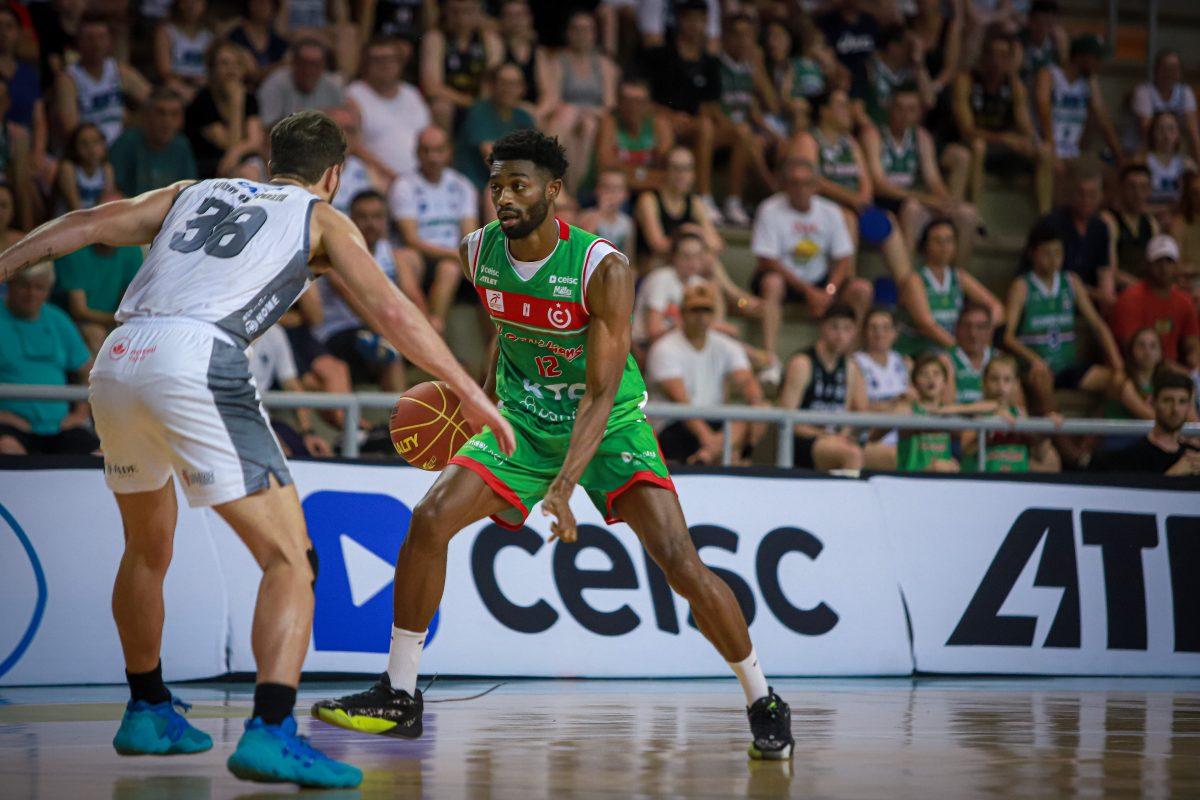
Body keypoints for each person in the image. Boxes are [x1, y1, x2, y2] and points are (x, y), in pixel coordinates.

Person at [0, 110, 513, 788]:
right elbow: (389, 310)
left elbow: (85, 224)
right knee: (291, 560)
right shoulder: (322, 216)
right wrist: (468, 393)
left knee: (146, 548)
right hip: (196, 359)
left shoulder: (195, 189)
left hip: (118, 359)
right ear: (334, 175)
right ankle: (272, 729)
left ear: (273, 160)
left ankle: (148, 707)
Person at [312, 129, 795, 762]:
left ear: (554, 190)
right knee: (429, 520)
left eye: (518, 185)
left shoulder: (603, 269)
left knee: (679, 559)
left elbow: (599, 391)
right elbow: (505, 331)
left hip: (609, 422)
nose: (504, 198)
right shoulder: (476, 249)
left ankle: (762, 697)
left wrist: (565, 485)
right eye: (495, 186)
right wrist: (481, 408)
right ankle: (400, 693)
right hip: (523, 417)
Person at [789, 89, 913, 286]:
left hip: (854, 206)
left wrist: (862, 198)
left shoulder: (851, 143)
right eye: (841, 105)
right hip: (819, 208)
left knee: (888, 220)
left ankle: (906, 286)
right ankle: (848, 287)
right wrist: (851, 199)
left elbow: (865, 179)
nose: (848, 110)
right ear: (824, 111)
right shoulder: (808, 139)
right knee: (846, 218)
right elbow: (812, 180)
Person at [1003, 220, 1123, 422]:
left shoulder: (1071, 282)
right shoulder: (1022, 286)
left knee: (1118, 382)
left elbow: (1098, 326)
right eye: (1046, 253)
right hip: (1036, 368)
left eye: (1058, 253)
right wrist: (1035, 359)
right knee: (1040, 378)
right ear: (1032, 254)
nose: (1053, 259)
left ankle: (1088, 444)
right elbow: (1007, 336)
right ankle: (1068, 449)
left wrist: (1117, 363)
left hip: (1066, 366)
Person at [751, 156, 870, 356]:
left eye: (806, 183)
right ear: (785, 186)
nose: (800, 189)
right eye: (794, 183)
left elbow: (844, 258)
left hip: (822, 281)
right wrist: (809, 292)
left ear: (816, 186)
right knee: (772, 282)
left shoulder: (830, 211)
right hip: (786, 280)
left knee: (862, 289)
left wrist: (829, 291)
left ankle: (849, 356)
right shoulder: (769, 209)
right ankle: (769, 357)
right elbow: (767, 261)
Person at [314, 188, 424, 392]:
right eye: (363, 217)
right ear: (350, 219)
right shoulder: (335, 252)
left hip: (380, 328)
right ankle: (397, 421)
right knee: (388, 350)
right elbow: (354, 298)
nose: (370, 223)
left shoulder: (393, 254)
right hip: (339, 332)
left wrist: (426, 327)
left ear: (386, 220)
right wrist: (395, 334)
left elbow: (412, 297)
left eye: (377, 217)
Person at [647, 281, 765, 465]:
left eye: (707, 310)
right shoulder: (664, 348)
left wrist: (756, 402)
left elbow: (746, 381)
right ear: (683, 313)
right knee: (731, 455)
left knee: (754, 412)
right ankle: (716, 454)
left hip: (711, 422)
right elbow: (681, 403)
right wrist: (709, 439)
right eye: (695, 310)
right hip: (671, 425)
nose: (701, 317)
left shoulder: (726, 345)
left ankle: (706, 457)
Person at [865, 82, 979, 262]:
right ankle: (908, 278)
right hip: (886, 202)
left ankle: (955, 279)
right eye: (899, 108)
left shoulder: (921, 136)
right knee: (912, 208)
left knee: (968, 214)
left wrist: (944, 201)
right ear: (889, 108)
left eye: (911, 110)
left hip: (912, 199)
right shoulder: (873, 134)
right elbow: (879, 185)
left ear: (919, 113)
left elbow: (933, 179)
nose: (904, 115)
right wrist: (925, 199)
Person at [0, 262, 99, 456]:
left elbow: (90, 372)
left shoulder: (58, 320)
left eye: (39, 287)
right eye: (24, 285)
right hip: (9, 425)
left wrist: (80, 413)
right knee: (8, 447)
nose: (31, 294)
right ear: (10, 284)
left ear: (48, 290)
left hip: (60, 427)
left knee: (100, 453)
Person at [951, 27, 1052, 213]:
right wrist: (1004, 138)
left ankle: (1044, 216)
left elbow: (1026, 125)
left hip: (1003, 148)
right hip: (972, 145)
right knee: (978, 146)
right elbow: (967, 130)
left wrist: (1029, 141)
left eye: (1004, 55)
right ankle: (976, 214)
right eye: (993, 54)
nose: (997, 61)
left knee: (1044, 151)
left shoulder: (1014, 85)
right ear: (984, 56)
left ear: (1010, 59)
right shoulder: (966, 81)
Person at [639, 0, 723, 222]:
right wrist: (671, 115)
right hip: (664, 120)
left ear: (706, 23)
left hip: (695, 124)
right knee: (664, 125)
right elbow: (646, 99)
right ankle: (678, 196)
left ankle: (719, 199)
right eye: (690, 19)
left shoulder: (710, 62)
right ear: (680, 21)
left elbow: (709, 105)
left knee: (722, 129)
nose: (695, 25)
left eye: (700, 20)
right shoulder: (661, 55)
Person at [390, 126, 478, 332]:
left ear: (449, 152)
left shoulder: (462, 184)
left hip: (452, 259)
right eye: (426, 151)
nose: (433, 157)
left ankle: (433, 327)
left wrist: (459, 255)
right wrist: (455, 254)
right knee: (404, 257)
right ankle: (424, 326)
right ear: (417, 153)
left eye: (439, 150)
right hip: (421, 256)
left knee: (450, 268)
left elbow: (470, 234)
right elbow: (411, 239)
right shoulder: (404, 185)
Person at [777, 302, 868, 470]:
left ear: (854, 332)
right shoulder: (802, 364)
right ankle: (847, 497)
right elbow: (786, 420)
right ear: (822, 327)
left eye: (847, 329)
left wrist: (843, 435)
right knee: (852, 454)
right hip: (803, 440)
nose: (840, 335)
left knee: (890, 455)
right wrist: (823, 435)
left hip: (834, 439)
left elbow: (847, 413)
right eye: (835, 327)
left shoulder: (850, 367)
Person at [711, 12, 780, 226]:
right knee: (748, 138)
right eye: (738, 35)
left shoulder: (750, 68)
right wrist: (741, 131)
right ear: (726, 37)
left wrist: (758, 70)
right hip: (720, 135)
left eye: (749, 36)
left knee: (780, 143)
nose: (743, 41)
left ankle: (769, 201)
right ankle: (770, 195)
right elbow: (711, 109)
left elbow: (772, 105)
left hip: (745, 135)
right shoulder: (715, 66)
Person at [896, 218, 1002, 356]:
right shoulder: (914, 279)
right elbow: (926, 324)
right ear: (925, 245)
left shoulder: (959, 276)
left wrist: (981, 333)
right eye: (937, 241)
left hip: (951, 350)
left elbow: (997, 307)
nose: (944, 246)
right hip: (920, 351)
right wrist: (960, 350)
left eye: (949, 240)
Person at [541, 10, 617, 195]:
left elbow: (609, 104)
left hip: (594, 117)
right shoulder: (559, 61)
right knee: (570, 116)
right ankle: (560, 181)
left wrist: (585, 112)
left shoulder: (604, 64)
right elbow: (554, 97)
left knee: (588, 125)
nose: (582, 34)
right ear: (568, 33)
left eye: (587, 29)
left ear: (594, 33)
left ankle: (569, 189)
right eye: (576, 29)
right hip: (566, 116)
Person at [345, 37, 430, 184]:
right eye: (378, 60)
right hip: (377, 178)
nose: (385, 65)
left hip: (419, 179)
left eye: (391, 59)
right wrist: (392, 177)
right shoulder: (354, 95)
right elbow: (353, 145)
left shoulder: (412, 93)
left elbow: (429, 135)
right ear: (365, 64)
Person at [54, 16, 151, 145]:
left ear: (109, 41)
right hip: (91, 149)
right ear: (78, 43)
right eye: (90, 38)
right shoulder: (68, 78)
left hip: (124, 144)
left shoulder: (118, 70)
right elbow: (70, 128)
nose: (96, 44)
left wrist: (132, 119)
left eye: (101, 37)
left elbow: (154, 99)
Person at [1034, 34, 1120, 177]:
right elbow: (1043, 108)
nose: (1099, 64)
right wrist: (1052, 151)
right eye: (1096, 59)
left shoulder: (1087, 83)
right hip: (1048, 150)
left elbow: (1101, 115)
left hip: (1073, 152)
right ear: (1082, 57)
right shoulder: (1050, 74)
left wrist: (1120, 156)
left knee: (1114, 174)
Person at [1109, 234, 1200, 367]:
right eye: (1158, 261)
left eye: (1169, 261)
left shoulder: (1184, 301)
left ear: (1177, 266)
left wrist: (1194, 355)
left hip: (1172, 369)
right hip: (1139, 370)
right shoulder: (1130, 298)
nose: (1164, 268)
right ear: (1147, 265)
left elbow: (1192, 341)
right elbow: (1135, 351)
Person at [245, 324, 334, 458]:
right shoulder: (216, 332)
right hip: (225, 419)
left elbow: (291, 384)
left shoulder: (274, 332)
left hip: (264, 420)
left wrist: (308, 433)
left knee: (310, 452)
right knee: (277, 453)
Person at [1091, 366, 1199, 475]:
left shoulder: (1194, 456)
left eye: (1182, 401)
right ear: (1152, 402)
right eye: (1167, 400)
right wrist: (1174, 473)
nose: (1175, 409)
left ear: (1189, 406)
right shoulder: (1132, 455)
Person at [962, 354, 1062, 472]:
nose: (1000, 386)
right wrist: (993, 422)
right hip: (985, 478)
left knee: (1051, 457)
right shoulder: (977, 410)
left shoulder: (1019, 412)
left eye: (1007, 380)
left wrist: (1047, 426)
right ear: (984, 382)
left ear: (1015, 384)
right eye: (994, 379)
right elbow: (966, 449)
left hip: (1016, 479)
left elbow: (1039, 454)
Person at [1037, 162, 1117, 309]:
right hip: (1053, 295)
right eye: (1081, 193)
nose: (1086, 200)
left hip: (1091, 300)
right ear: (1071, 193)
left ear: (1101, 196)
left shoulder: (1100, 227)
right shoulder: (1051, 223)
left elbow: (1104, 269)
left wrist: (1107, 295)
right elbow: (1050, 274)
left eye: (1092, 195)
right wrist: (1095, 294)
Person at [418, 0, 502, 131]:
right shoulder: (435, 38)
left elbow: (493, 79)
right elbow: (432, 86)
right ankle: (445, 149)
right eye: (455, 12)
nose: (461, 18)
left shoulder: (489, 39)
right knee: (441, 108)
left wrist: (482, 103)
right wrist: (470, 103)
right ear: (445, 12)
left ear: (478, 13)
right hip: (452, 102)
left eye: (467, 11)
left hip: (483, 101)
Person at [185, 39, 265, 178]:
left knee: (254, 168)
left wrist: (237, 152)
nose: (231, 70)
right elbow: (228, 144)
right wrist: (236, 102)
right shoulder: (202, 101)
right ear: (212, 69)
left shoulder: (249, 98)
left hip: (237, 161)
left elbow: (255, 141)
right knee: (248, 173)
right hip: (208, 165)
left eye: (237, 64)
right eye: (224, 63)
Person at [634, 146, 723, 268]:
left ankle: (729, 288)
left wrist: (695, 232)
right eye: (676, 168)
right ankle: (730, 288)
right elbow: (658, 245)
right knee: (698, 258)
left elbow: (716, 244)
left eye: (687, 169)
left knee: (708, 258)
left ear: (693, 174)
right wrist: (684, 234)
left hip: (681, 266)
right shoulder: (649, 199)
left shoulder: (694, 202)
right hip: (652, 267)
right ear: (665, 171)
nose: (682, 174)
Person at [453, 63, 535, 194]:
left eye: (514, 84)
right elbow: (493, 159)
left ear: (523, 88)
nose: (508, 89)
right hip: (476, 188)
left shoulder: (523, 117)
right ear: (492, 86)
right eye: (503, 83)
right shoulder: (480, 111)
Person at [53, 237, 143, 353]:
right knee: (95, 333)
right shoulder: (75, 251)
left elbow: (129, 301)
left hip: (113, 318)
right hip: (73, 321)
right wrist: (121, 319)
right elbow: (79, 311)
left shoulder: (131, 249)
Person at [109, 88, 198, 197]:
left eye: (174, 114)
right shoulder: (126, 143)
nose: (167, 121)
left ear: (182, 119)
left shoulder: (182, 145)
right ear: (147, 115)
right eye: (161, 113)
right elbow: (112, 191)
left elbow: (190, 190)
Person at [593, 77, 674, 196]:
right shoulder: (609, 123)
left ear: (648, 104)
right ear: (619, 103)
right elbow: (606, 168)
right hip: (614, 193)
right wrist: (648, 175)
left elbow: (668, 173)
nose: (633, 107)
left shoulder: (659, 124)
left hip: (651, 193)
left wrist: (630, 173)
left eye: (639, 101)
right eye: (628, 101)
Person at [854, 307, 912, 470]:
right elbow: (859, 407)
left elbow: (914, 399)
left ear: (895, 332)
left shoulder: (902, 362)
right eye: (873, 327)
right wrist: (894, 405)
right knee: (898, 456)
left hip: (902, 437)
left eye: (886, 328)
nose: (879, 333)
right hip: (870, 439)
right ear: (864, 332)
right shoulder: (856, 363)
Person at [256, 37, 344, 129]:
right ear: (294, 63)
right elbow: (268, 128)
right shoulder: (274, 85)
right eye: (304, 63)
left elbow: (342, 123)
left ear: (323, 66)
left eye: (316, 64)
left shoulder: (333, 86)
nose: (309, 71)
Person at [1130, 49, 1200, 160]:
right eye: (1166, 68)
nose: (1170, 72)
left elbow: (1194, 132)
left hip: (1173, 152)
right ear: (1157, 70)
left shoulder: (1185, 92)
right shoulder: (1144, 91)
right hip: (1143, 150)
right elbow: (1147, 132)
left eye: (1174, 68)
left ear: (1180, 72)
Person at [1101, 164, 1160, 285]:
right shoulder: (1109, 220)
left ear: (1150, 190)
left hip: (1145, 289)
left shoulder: (1151, 223)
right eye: (1132, 187)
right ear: (1121, 188)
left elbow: (1157, 265)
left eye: (1143, 188)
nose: (1138, 194)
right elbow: (1110, 271)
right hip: (1120, 290)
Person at [153, 0, 213, 104]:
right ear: (179, 4)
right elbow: (164, 71)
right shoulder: (166, 31)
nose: (192, 5)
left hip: (204, 84)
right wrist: (190, 78)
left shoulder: (209, 35)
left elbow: (214, 66)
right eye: (187, 1)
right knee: (172, 85)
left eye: (197, 2)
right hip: (177, 84)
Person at [816, 0, 879, 101]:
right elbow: (822, 49)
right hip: (838, 77)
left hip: (864, 77)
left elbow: (875, 52)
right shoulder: (828, 21)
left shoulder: (869, 21)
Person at [1142, 112, 1196, 219]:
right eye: (1160, 129)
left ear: (1178, 134)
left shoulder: (1187, 164)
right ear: (1152, 133)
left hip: (1177, 218)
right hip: (1148, 216)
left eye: (1171, 129)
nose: (1166, 135)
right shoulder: (1142, 162)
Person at [55, 122, 116, 213]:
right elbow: (75, 209)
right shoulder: (68, 168)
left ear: (104, 145)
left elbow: (104, 205)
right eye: (84, 143)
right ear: (75, 147)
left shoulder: (107, 169)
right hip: (69, 222)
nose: (91, 148)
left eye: (95, 142)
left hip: (93, 221)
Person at [226, 0, 289, 86]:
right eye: (258, 2)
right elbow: (252, 76)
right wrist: (280, 66)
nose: (262, 6)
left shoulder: (278, 41)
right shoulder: (236, 37)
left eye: (267, 2)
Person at [576, 169, 635, 255]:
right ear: (597, 191)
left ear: (626, 194)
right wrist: (601, 211)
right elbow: (582, 248)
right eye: (607, 187)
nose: (612, 193)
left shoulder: (627, 223)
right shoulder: (586, 216)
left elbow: (629, 257)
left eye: (617, 188)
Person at [949, 303, 994, 402]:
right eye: (967, 326)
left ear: (990, 330)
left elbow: (1017, 406)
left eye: (980, 327)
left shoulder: (1000, 359)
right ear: (957, 328)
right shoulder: (945, 359)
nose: (973, 333)